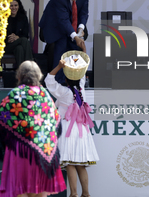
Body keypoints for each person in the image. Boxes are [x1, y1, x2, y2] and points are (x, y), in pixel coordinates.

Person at [0, 60, 66, 197]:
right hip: (44, 152)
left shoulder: (16, 93)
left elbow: (1, 118)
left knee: (21, 191)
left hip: (21, 151)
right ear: (38, 76)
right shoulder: (45, 95)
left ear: (19, 76)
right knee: (40, 192)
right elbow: (55, 123)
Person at [45, 57, 99, 197]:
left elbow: (49, 81)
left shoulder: (64, 92)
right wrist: (84, 54)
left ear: (67, 79)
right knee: (80, 164)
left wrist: (58, 66)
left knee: (70, 163)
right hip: (82, 130)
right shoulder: (81, 90)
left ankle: (73, 194)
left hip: (69, 129)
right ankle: (86, 193)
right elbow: (82, 71)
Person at [39, 0, 88, 83]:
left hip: (71, 22)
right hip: (55, 24)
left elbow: (84, 12)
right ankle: (57, 83)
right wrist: (75, 36)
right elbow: (63, 21)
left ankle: (73, 81)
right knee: (60, 51)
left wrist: (81, 28)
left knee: (74, 49)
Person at [5, 0, 33, 69]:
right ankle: (30, 68)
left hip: (18, 44)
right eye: (11, 5)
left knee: (19, 49)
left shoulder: (23, 18)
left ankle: (20, 75)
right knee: (24, 40)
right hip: (7, 45)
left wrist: (17, 38)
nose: (13, 7)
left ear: (19, 6)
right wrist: (8, 39)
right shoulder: (3, 18)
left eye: (15, 5)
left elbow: (25, 34)